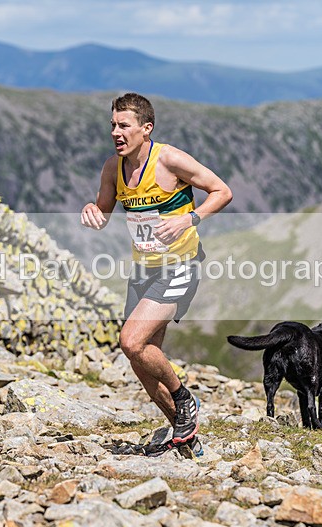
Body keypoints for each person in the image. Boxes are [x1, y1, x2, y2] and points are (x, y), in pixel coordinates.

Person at [81, 93, 232, 450]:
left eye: (124, 126)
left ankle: (184, 399)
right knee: (141, 361)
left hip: (180, 265)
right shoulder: (112, 168)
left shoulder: (169, 159)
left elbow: (222, 191)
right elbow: (103, 212)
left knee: (131, 341)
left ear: (146, 129)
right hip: (143, 269)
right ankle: (184, 437)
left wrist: (189, 219)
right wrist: (92, 211)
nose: (116, 132)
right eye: (113, 126)